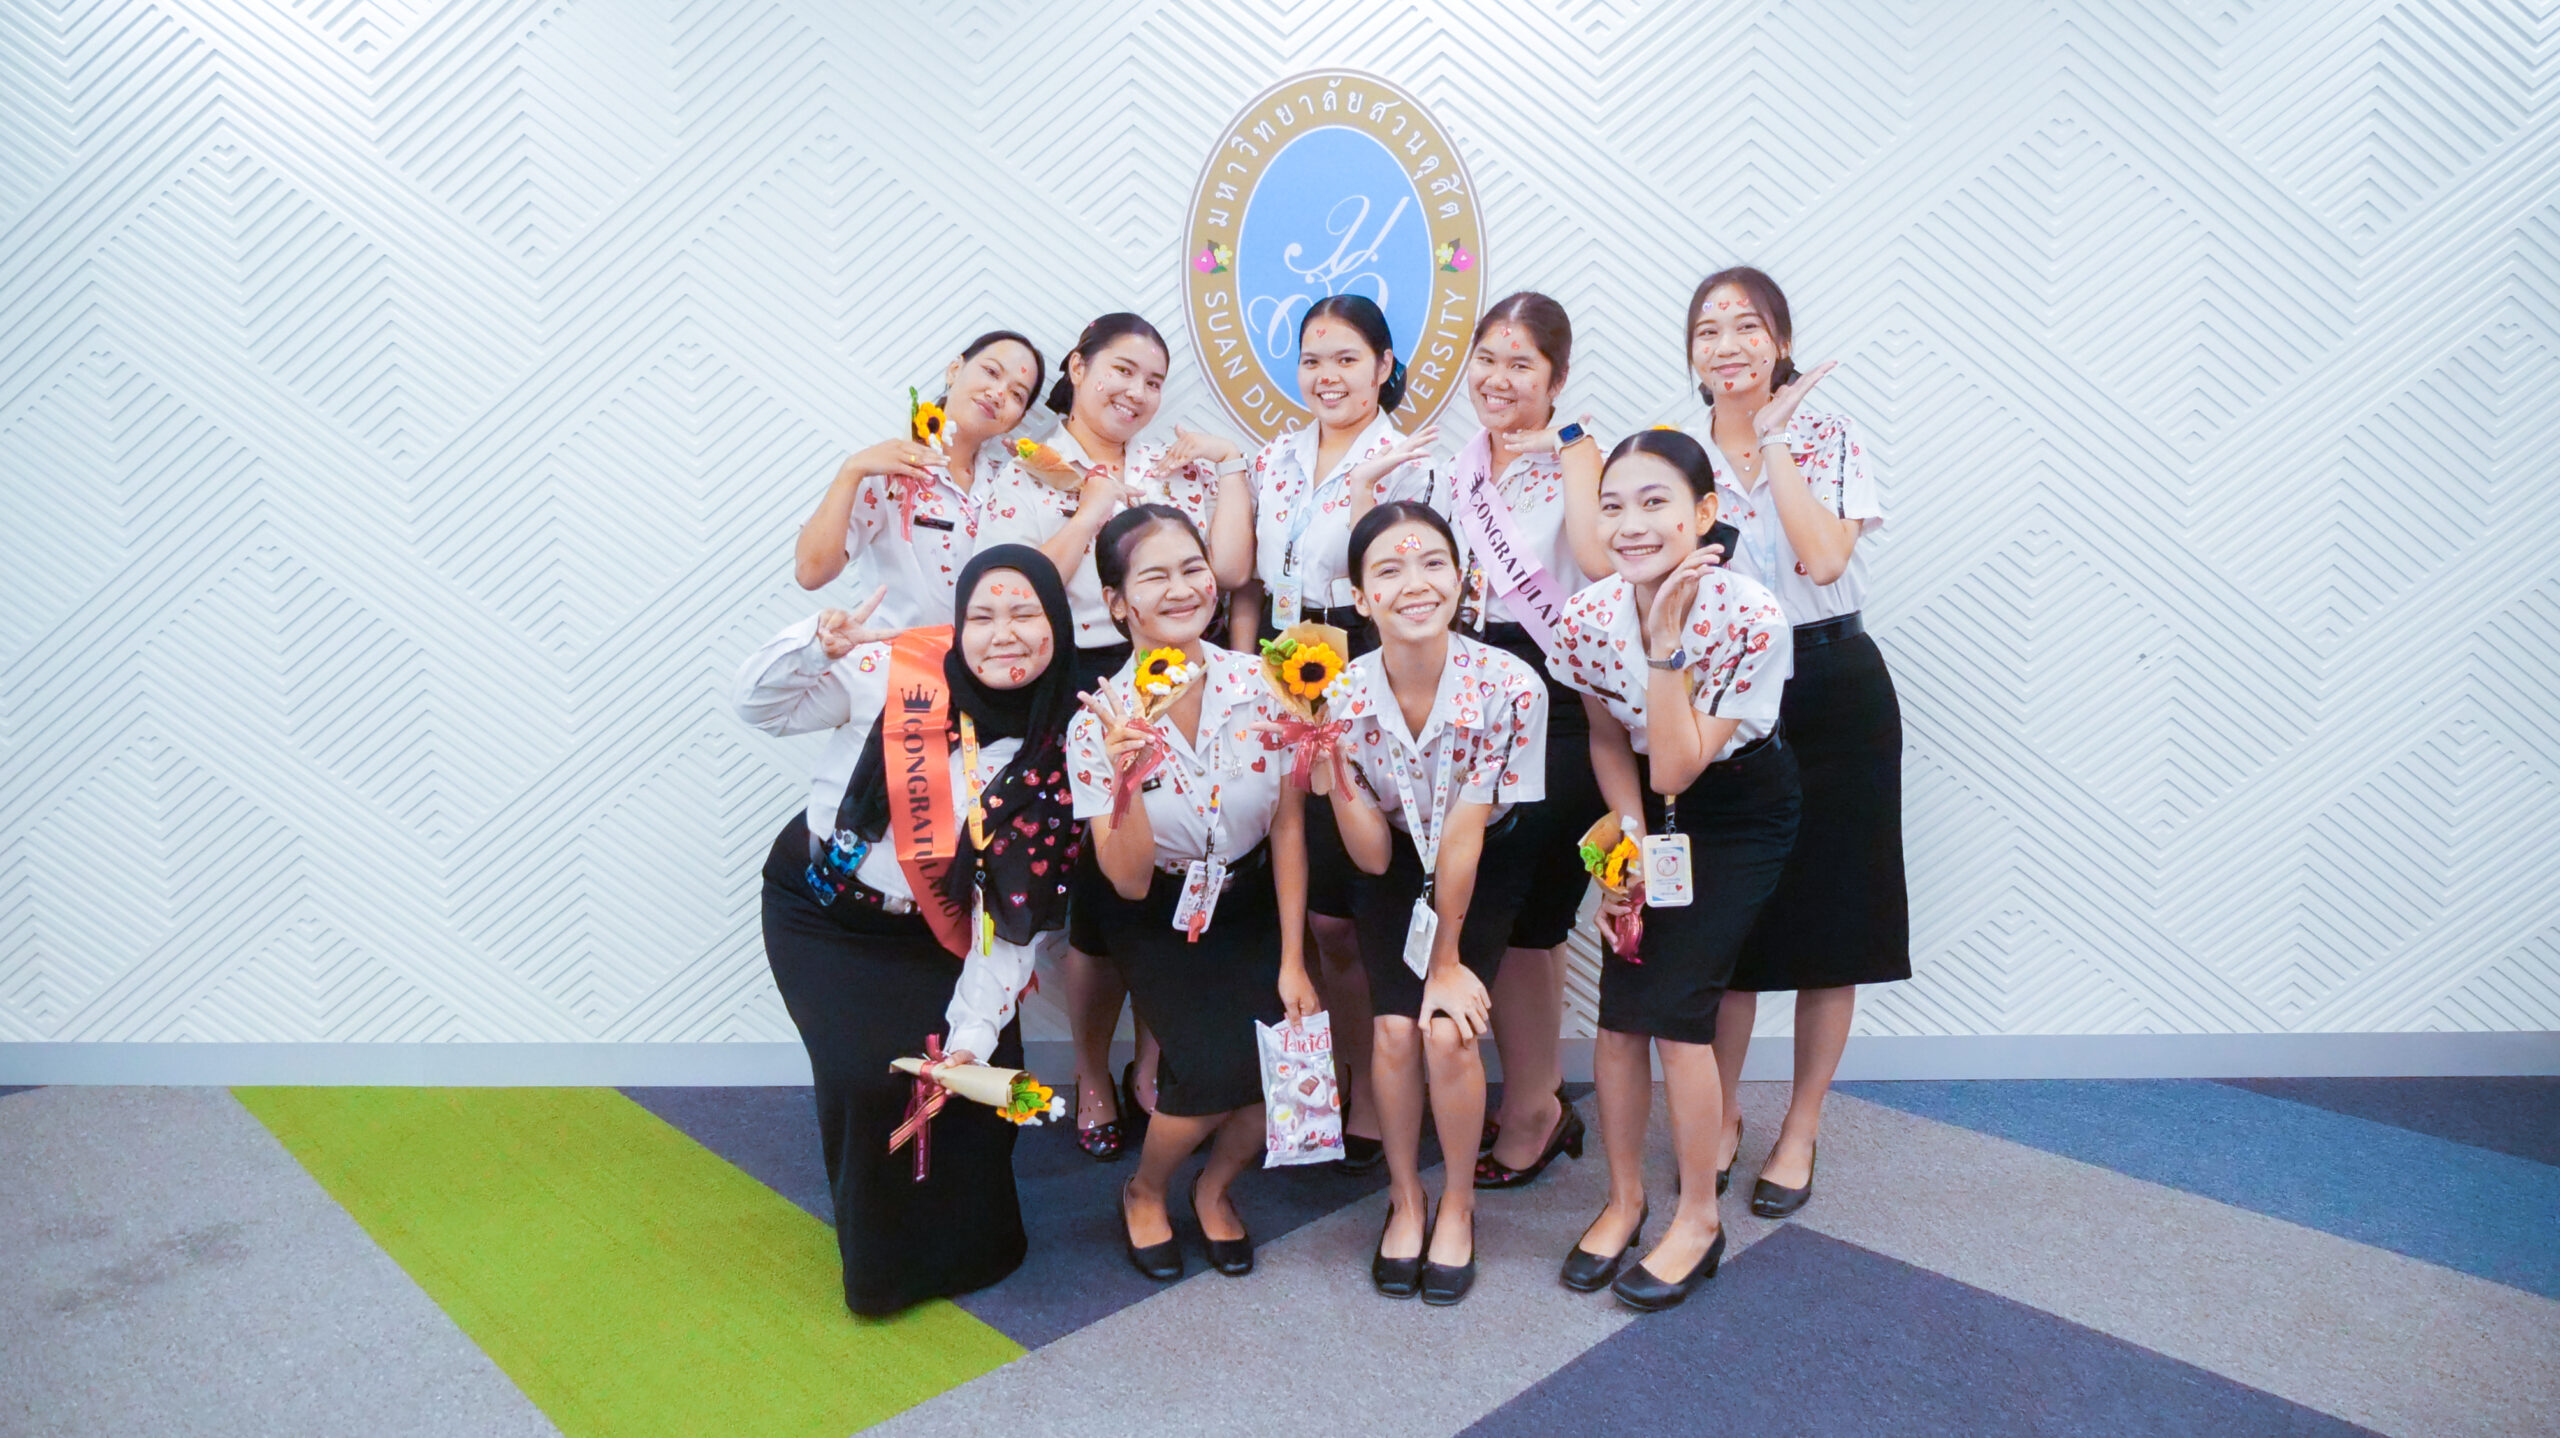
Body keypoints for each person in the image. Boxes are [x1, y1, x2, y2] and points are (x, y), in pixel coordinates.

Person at [733, 545, 1080, 1316]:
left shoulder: (1065, 743)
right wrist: (816, 645)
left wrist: (974, 1032)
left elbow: (1014, 915)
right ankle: (884, 1272)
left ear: (1057, 626)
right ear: (958, 626)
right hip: (828, 917)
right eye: (983, 616)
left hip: (950, 932)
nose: (1004, 633)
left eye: (1025, 613)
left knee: (982, 1077)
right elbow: (760, 708)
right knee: (871, 1083)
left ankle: (979, 1250)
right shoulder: (894, 673)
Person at [983, 312, 1251, 1162]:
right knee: (1095, 905)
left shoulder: (1167, 470)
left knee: (1171, 875)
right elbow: (1015, 593)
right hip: (1073, 688)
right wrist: (1093, 506)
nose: (1136, 392)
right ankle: (1093, 1072)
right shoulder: (1026, 470)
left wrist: (1228, 466)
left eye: (1154, 380)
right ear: (1077, 367)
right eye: (1122, 371)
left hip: (1175, 674)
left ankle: (1158, 1060)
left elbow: (1227, 573)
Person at [1549, 431, 1798, 1311]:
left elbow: (1681, 768)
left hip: (1737, 810)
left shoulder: (1749, 617)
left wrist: (1662, 648)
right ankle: (1625, 1201)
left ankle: (1698, 1218)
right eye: (1612, 505)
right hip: (1643, 809)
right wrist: (1624, 844)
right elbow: (1607, 738)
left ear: (1704, 514)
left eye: (1655, 503)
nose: (1630, 524)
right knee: (1621, 1011)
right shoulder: (1585, 616)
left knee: (1681, 1015)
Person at [1682, 267, 1908, 1220]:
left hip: (1831, 686)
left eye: (1747, 326)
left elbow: (1822, 558)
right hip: (1725, 693)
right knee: (1730, 924)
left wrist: (1774, 439)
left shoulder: (1828, 435)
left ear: (1779, 341)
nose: (1727, 344)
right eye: (1708, 329)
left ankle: (1802, 1125)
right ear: (1691, 352)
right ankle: (1723, 1112)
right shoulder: (1677, 454)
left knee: (1831, 925)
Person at [1206, 294, 1437, 1170]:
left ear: (1384, 366)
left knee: (1358, 887)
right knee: (1302, 885)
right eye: (1312, 359)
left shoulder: (1411, 463)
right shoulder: (1276, 458)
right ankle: (1331, 1069)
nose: (1326, 376)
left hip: (1367, 661)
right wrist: (1241, 679)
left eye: (1346, 358)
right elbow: (1251, 587)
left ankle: (1379, 1084)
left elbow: (1415, 587)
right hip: (1281, 665)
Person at [1310, 501, 1547, 1305]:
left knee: (1446, 1033)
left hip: (1483, 857)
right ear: (1360, 596)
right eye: (1389, 570)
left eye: (1433, 563)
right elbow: (1373, 856)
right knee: (1390, 1032)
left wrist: (1445, 963)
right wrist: (1331, 764)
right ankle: (1405, 1198)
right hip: (1393, 857)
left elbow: (1465, 836)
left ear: (1463, 578)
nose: (1416, 583)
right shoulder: (1340, 693)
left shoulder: (1510, 687)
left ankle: (1458, 1205)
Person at [1070, 505, 1304, 1282]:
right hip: (1153, 912)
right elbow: (1128, 877)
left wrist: (1294, 958)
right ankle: (1145, 1189)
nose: (1181, 588)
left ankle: (1213, 1188)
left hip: (1249, 899)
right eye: (1155, 576)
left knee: (1278, 1068)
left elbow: (1289, 828)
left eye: (1192, 568)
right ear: (1117, 602)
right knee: (1205, 1076)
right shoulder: (1099, 721)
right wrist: (1127, 777)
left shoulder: (1264, 683)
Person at [1412, 292, 1606, 1188]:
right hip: (1464, 688)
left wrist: (1573, 453)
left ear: (1556, 378)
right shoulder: (1455, 469)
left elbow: (1598, 565)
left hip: (1554, 696)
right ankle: (1533, 1095)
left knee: (1530, 912)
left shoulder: (1581, 456)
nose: (1498, 378)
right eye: (1487, 358)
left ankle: (1533, 1104)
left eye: (1521, 363)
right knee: (1507, 910)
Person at [792, 331, 1045, 626]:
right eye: (991, 372)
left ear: (1017, 419)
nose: (998, 393)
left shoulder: (1010, 484)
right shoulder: (889, 470)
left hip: (988, 653)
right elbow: (811, 573)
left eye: (1016, 395)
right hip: (899, 652)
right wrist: (851, 471)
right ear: (955, 370)